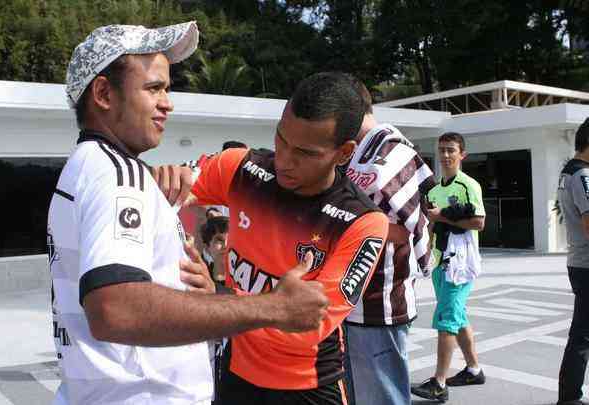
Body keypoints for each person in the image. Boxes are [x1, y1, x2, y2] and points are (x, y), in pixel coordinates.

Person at [48, 22, 328, 405]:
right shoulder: (117, 175)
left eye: (167, 88)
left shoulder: (90, 167)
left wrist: (193, 287)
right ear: (103, 93)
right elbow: (115, 309)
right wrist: (273, 307)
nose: (168, 102)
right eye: (153, 88)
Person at [156, 72, 389, 405]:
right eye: (281, 138)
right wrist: (165, 178)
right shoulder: (239, 167)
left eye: (306, 153)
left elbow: (308, 323)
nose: (284, 159)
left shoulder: (363, 223)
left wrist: (217, 297)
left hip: (309, 385)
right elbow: (153, 192)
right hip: (235, 374)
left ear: (343, 153)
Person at [342, 79, 436, 405]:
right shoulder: (357, 153)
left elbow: (401, 229)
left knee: (381, 398)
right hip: (351, 306)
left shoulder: (391, 152)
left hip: (378, 306)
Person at [411, 132, 486, 402]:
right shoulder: (434, 189)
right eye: (442, 150)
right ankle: (474, 369)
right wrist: (424, 252)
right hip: (441, 262)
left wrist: (442, 216)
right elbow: (430, 224)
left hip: (461, 263)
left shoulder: (469, 185)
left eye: (451, 150)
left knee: (446, 320)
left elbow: (479, 223)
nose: (445, 155)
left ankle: (439, 383)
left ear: (461, 154)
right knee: (457, 315)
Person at [557, 118, 589, 405]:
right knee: (582, 335)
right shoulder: (583, 176)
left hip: (579, 262)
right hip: (587, 264)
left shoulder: (568, 173)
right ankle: (569, 397)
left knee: (582, 333)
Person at [200, 215, 229, 285]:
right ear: (207, 248)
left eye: (231, 240)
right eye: (219, 240)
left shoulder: (245, 282)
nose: (225, 245)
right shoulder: (199, 277)